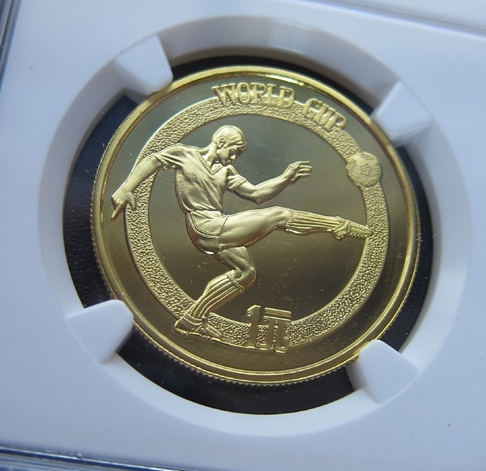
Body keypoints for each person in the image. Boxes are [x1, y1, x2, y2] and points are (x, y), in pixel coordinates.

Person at [111, 125, 371, 340]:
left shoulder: (226, 171)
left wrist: (285, 178)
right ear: (220, 142)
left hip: (217, 225)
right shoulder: (184, 154)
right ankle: (337, 225)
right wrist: (126, 188)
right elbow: (153, 160)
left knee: (245, 273)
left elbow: (256, 194)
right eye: (233, 151)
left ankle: (192, 320)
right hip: (204, 226)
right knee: (278, 215)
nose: (234, 158)